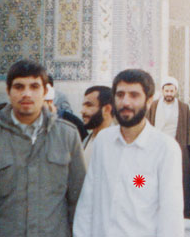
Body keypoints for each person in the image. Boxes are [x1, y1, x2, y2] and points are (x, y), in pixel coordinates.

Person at [0, 60, 85, 237]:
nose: (26, 94)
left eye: (34, 87)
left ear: (45, 92)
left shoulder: (67, 135)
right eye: (19, 87)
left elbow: (79, 201)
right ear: (8, 91)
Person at [73, 69, 184, 237]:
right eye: (120, 95)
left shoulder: (165, 148)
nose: (125, 102)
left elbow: (171, 216)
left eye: (134, 95)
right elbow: (87, 201)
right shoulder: (103, 141)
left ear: (149, 101)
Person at [146, 76, 190, 218]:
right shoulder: (154, 106)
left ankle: (178, 209)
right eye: (166, 91)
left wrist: (189, 148)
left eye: (171, 91)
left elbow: (189, 129)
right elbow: (147, 125)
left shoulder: (183, 107)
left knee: (176, 179)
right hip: (156, 148)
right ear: (162, 91)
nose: (169, 94)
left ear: (175, 91)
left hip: (176, 148)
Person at [79, 85, 114, 158]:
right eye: (83, 106)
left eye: (89, 105)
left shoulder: (116, 143)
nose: (82, 111)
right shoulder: (87, 139)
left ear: (106, 109)